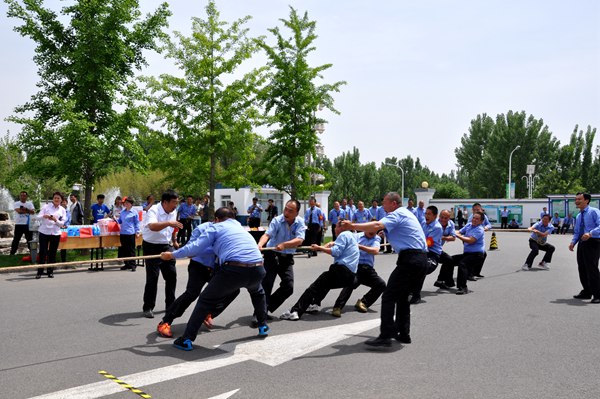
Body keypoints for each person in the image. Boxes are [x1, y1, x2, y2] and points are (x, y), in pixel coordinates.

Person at [160, 207, 269, 351]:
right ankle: (263, 325)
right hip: (257, 268)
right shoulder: (241, 229)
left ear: (216, 219)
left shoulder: (216, 228)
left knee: (205, 300)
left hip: (233, 269)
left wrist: (172, 255)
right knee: (257, 292)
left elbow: (195, 248)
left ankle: (186, 339)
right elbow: (194, 249)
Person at [340, 192, 428, 348]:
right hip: (419, 259)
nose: (382, 204)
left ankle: (386, 336)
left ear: (393, 203)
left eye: (384, 201)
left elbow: (375, 225)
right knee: (401, 297)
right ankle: (403, 333)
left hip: (410, 259)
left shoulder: (397, 213)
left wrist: (352, 226)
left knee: (388, 296)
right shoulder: (405, 214)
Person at [156, 221, 240, 338]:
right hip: (199, 266)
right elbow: (191, 250)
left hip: (217, 267)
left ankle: (209, 313)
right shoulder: (202, 229)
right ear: (217, 219)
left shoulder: (231, 229)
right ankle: (165, 322)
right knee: (191, 294)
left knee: (233, 290)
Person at [280, 223, 359, 321]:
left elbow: (336, 252)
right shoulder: (353, 236)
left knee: (313, 287)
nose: (335, 230)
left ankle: (295, 311)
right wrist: (333, 243)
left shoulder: (343, 235)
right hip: (351, 277)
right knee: (325, 284)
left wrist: (319, 248)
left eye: (336, 227)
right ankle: (314, 304)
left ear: (342, 227)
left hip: (342, 270)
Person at [256, 199, 306, 322]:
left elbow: (300, 240)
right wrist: (260, 245)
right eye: (286, 209)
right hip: (272, 255)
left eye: (290, 210)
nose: (286, 212)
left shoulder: (300, 222)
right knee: (267, 284)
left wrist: (284, 245)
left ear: (296, 213)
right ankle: (259, 313)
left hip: (287, 257)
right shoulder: (277, 220)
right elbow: (267, 235)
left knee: (288, 286)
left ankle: (266, 307)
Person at [141, 190, 182, 319]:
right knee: (153, 277)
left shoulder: (173, 211)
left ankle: (170, 306)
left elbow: (173, 227)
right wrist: (169, 223)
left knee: (171, 276)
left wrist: (174, 241)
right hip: (151, 246)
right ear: (165, 202)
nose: (175, 205)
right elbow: (152, 226)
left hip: (166, 245)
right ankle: (148, 307)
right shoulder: (153, 210)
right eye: (173, 202)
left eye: (177, 202)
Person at [332, 230, 386, 317]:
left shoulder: (376, 238)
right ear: (365, 228)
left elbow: (375, 251)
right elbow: (344, 241)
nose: (372, 233)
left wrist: (359, 246)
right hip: (356, 267)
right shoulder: (356, 236)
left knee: (381, 284)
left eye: (374, 231)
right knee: (350, 283)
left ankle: (363, 302)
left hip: (368, 270)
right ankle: (338, 307)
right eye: (370, 230)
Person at [569, 192, 600, 303]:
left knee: (592, 268)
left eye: (579, 199)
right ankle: (587, 292)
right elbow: (577, 231)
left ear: (586, 200)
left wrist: (590, 233)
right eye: (576, 199)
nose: (576, 201)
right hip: (582, 242)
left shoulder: (594, 212)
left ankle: (598, 294)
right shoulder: (579, 215)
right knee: (582, 267)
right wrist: (573, 242)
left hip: (593, 242)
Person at [410, 205, 443, 304]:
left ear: (435, 216)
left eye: (429, 214)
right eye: (426, 213)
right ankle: (409, 291)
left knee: (422, 270)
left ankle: (416, 296)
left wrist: (414, 243)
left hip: (432, 254)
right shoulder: (424, 223)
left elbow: (429, 243)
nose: (426, 216)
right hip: (422, 252)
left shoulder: (437, 227)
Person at [452, 212, 486, 295]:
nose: (474, 220)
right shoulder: (469, 225)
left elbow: (471, 240)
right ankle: (445, 281)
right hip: (467, 254)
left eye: (477, 219)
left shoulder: (479, 229)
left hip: (477, 255)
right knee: (450, 260)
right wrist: (453, 233)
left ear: (481, 221)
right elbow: (459, 232)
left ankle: (463, 288)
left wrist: (458, 236)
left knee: (462, 264)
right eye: (473, 218)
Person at [36, 192, 67, 279]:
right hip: (44, 232)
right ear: (53, 199)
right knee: (43, 252)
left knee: (52, 253)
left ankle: (50, 271)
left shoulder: (62, 210)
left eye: (58, 198)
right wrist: (44, 216)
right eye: (55, 198)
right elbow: (37, 217)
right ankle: (40, 272)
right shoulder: (46, 207)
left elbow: (61, 224)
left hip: (55, 233)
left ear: (61, 200)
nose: (56, 199)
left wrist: (55, 220)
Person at [433, 209, 458, 289]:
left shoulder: (451, 224)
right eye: (442, 217)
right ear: (439, 216)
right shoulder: (434, 224)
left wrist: (441, 237)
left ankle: (441, 281)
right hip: (429, 249)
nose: (443, 220)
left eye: (446, 218)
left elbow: (453, 237)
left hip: (438, 249)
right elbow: (428, 238)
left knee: (449, 260)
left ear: (449, 218)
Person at [118, 197, 141, 271]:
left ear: (131, 204)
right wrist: (115, 219)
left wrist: (137, 232)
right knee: (124, 249)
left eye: (128, 203)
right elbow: (120, 221)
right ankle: (126, 264)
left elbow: (137, 223)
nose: (126, 204)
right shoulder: (122, 212)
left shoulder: (134, 212)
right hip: (123, 232)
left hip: (130, 232)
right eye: (125, 203)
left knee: (131, 249)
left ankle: (133, 264)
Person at [10, 191, 35, 256]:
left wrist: (25, 209)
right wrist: (28, 211)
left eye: (24, 195)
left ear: (26, 197)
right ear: (19, 196)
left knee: (30, 239)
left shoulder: (30, 204)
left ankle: (32, 253)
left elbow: (33, 212)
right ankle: (12, 253)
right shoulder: (16, 203)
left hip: (28, 224)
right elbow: (19, 211)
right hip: (19, 224)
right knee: (16, 239)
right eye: (21, 195)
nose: (22, 197)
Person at [59, 197, 71, 263]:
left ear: (67, 203)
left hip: (65, 229)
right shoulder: (58, 211)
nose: (63, 203)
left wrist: (65, 226)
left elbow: (69, 220)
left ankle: (63, 260)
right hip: (57, 229)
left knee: (63, 245)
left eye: (65, 202)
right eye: (62, 202)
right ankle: (53, 261)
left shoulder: (68, 212)